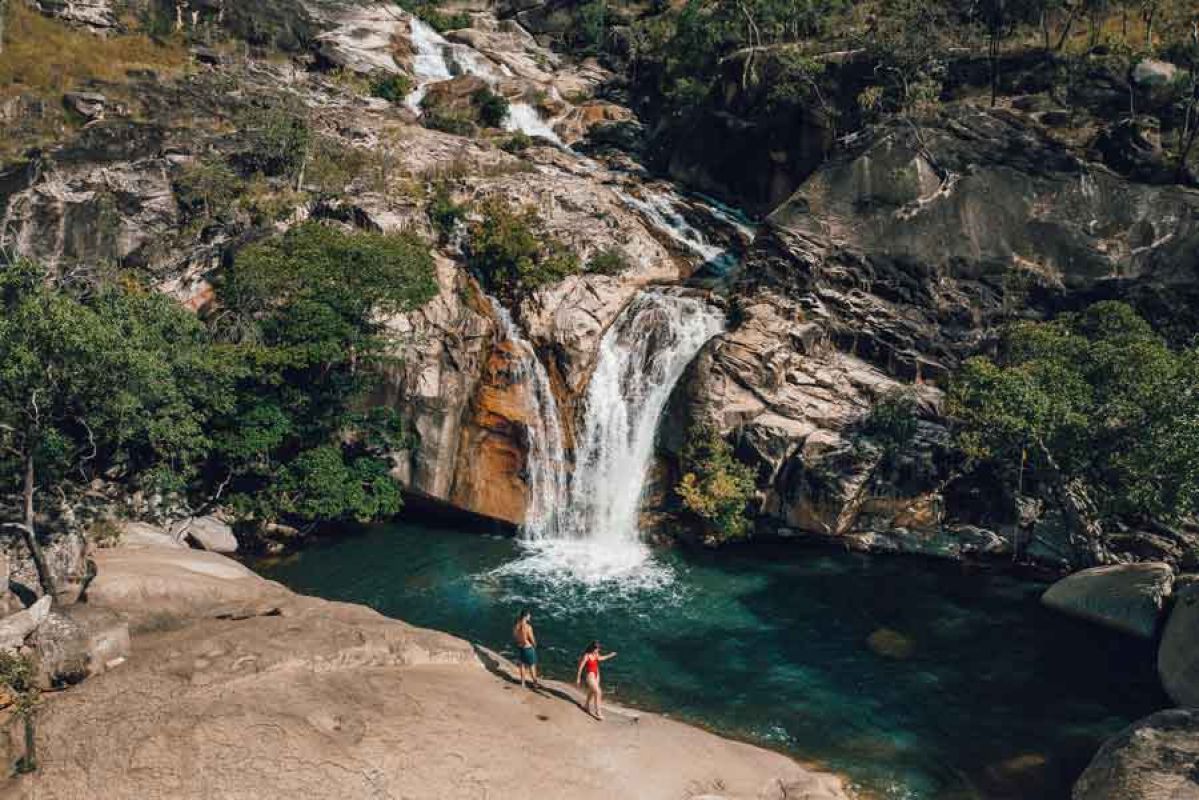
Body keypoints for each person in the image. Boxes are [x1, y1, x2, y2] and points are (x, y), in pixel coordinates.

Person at [575, 641, 617, 720]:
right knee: (598, 692)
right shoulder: (587, 656)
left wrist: (610, 655)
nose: (598, 650)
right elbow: (580, 667)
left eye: (598, 649)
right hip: (590, 676)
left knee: (591, 691)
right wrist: (578, 678)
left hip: (596, 676)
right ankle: (598, 712)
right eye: (597, 649)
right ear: (593, 648)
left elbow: (601, 658)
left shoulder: (596, 655)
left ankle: (586, 706)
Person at [513, 608, 540, 688]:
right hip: (528, 648)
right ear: (525, 616)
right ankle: (535, 683)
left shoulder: (516, 626)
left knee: (522, 665)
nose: (530, 616)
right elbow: (532, 639)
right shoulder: (528, 627)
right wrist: (534, 645)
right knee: (532, 665)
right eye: (529, 615)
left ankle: (523, 683)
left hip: (520, 647)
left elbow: (515, 636)